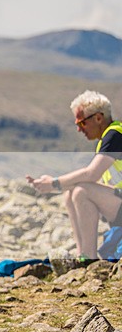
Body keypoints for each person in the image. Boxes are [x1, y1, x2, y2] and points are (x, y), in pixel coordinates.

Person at [27, 90, 122, 262]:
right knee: (71, 192)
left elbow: (91, 174)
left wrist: (54, 183)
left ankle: (89, 259)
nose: (79, 129)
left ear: (99, 118)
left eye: (82, 123)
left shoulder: (115, 135)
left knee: (81, 191)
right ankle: (82, 255)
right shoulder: (108, 138)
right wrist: (61, 185)